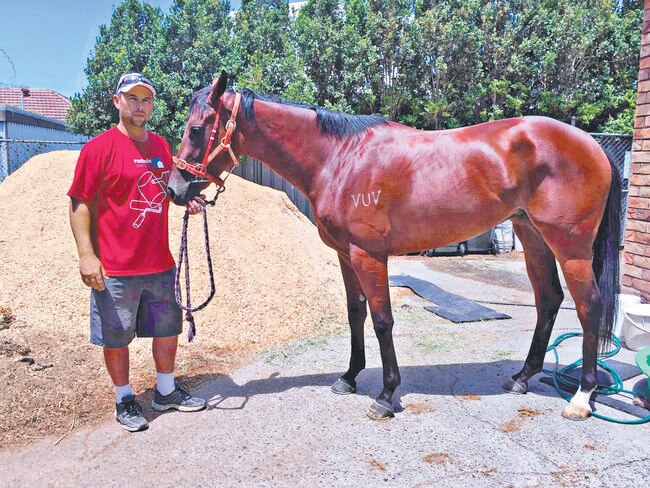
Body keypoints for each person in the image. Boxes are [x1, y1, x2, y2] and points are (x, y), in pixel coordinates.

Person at [68, 72, 206, 432]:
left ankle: (165, 390)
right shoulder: (97, 149)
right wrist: (86, 255)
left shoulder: (161, 146)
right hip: (115, 269)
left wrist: (187, 202)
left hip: (160, 266)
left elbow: (169, 191)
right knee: (117, 336)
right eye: (132, 98)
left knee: (167, 330)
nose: (139, 105)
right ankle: (124, 399)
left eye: (146, 99)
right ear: (117, 102)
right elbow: (79, 203)